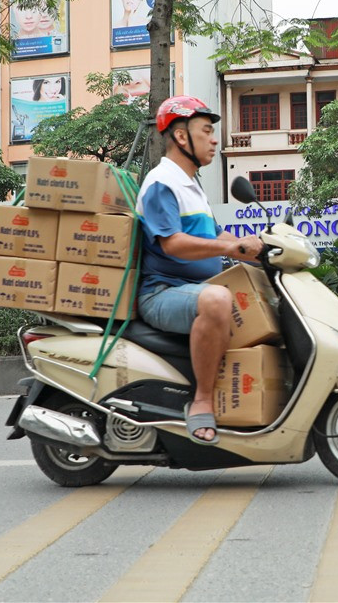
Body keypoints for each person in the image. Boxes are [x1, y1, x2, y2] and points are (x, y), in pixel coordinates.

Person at [135, 96, 263, 444]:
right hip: (161, 293)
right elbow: (172, 243)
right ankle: (202, 401)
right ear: (180, 137)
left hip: (189, 288)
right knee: (219, 300)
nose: (215, 139)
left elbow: (216, 236)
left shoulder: (191, 184)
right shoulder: (163, 182)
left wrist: (261, 250)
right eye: (206, 131)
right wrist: (231, 247)